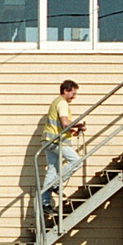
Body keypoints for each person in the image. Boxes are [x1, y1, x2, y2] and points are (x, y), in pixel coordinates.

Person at [40, 80, 84, 216]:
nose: (74, 97)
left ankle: (45, 204)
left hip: (48, 140)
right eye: (73, 93)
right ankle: (56, 184)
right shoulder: (62, 103)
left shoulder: (56, 102)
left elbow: (60, 125)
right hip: (56, 141)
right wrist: (79, 125)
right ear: (66, 90)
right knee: (77, 161)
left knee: (52, 169)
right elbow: (65, 122)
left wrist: (72, 131)